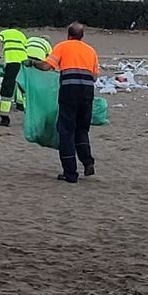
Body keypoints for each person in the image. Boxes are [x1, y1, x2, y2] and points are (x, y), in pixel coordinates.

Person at [35, 22, 100, 182]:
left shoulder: (62, 46)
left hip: (69, 91)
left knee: (66, 131)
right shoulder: (91, 51)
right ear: (82, 36)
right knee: (82, 129)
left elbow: (46, 66)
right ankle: (88, 162)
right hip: (87, 92)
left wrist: (33, 63)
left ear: (68, 34)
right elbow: (94, 76)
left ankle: (70, 173)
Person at [0, 26, 29, 126]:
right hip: (23, 63)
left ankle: (4, 118)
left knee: (7, 88)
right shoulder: (22, 35)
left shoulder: (4, 33)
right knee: (23, 88)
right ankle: (27, 114)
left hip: (11, 62)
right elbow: (26, 48)